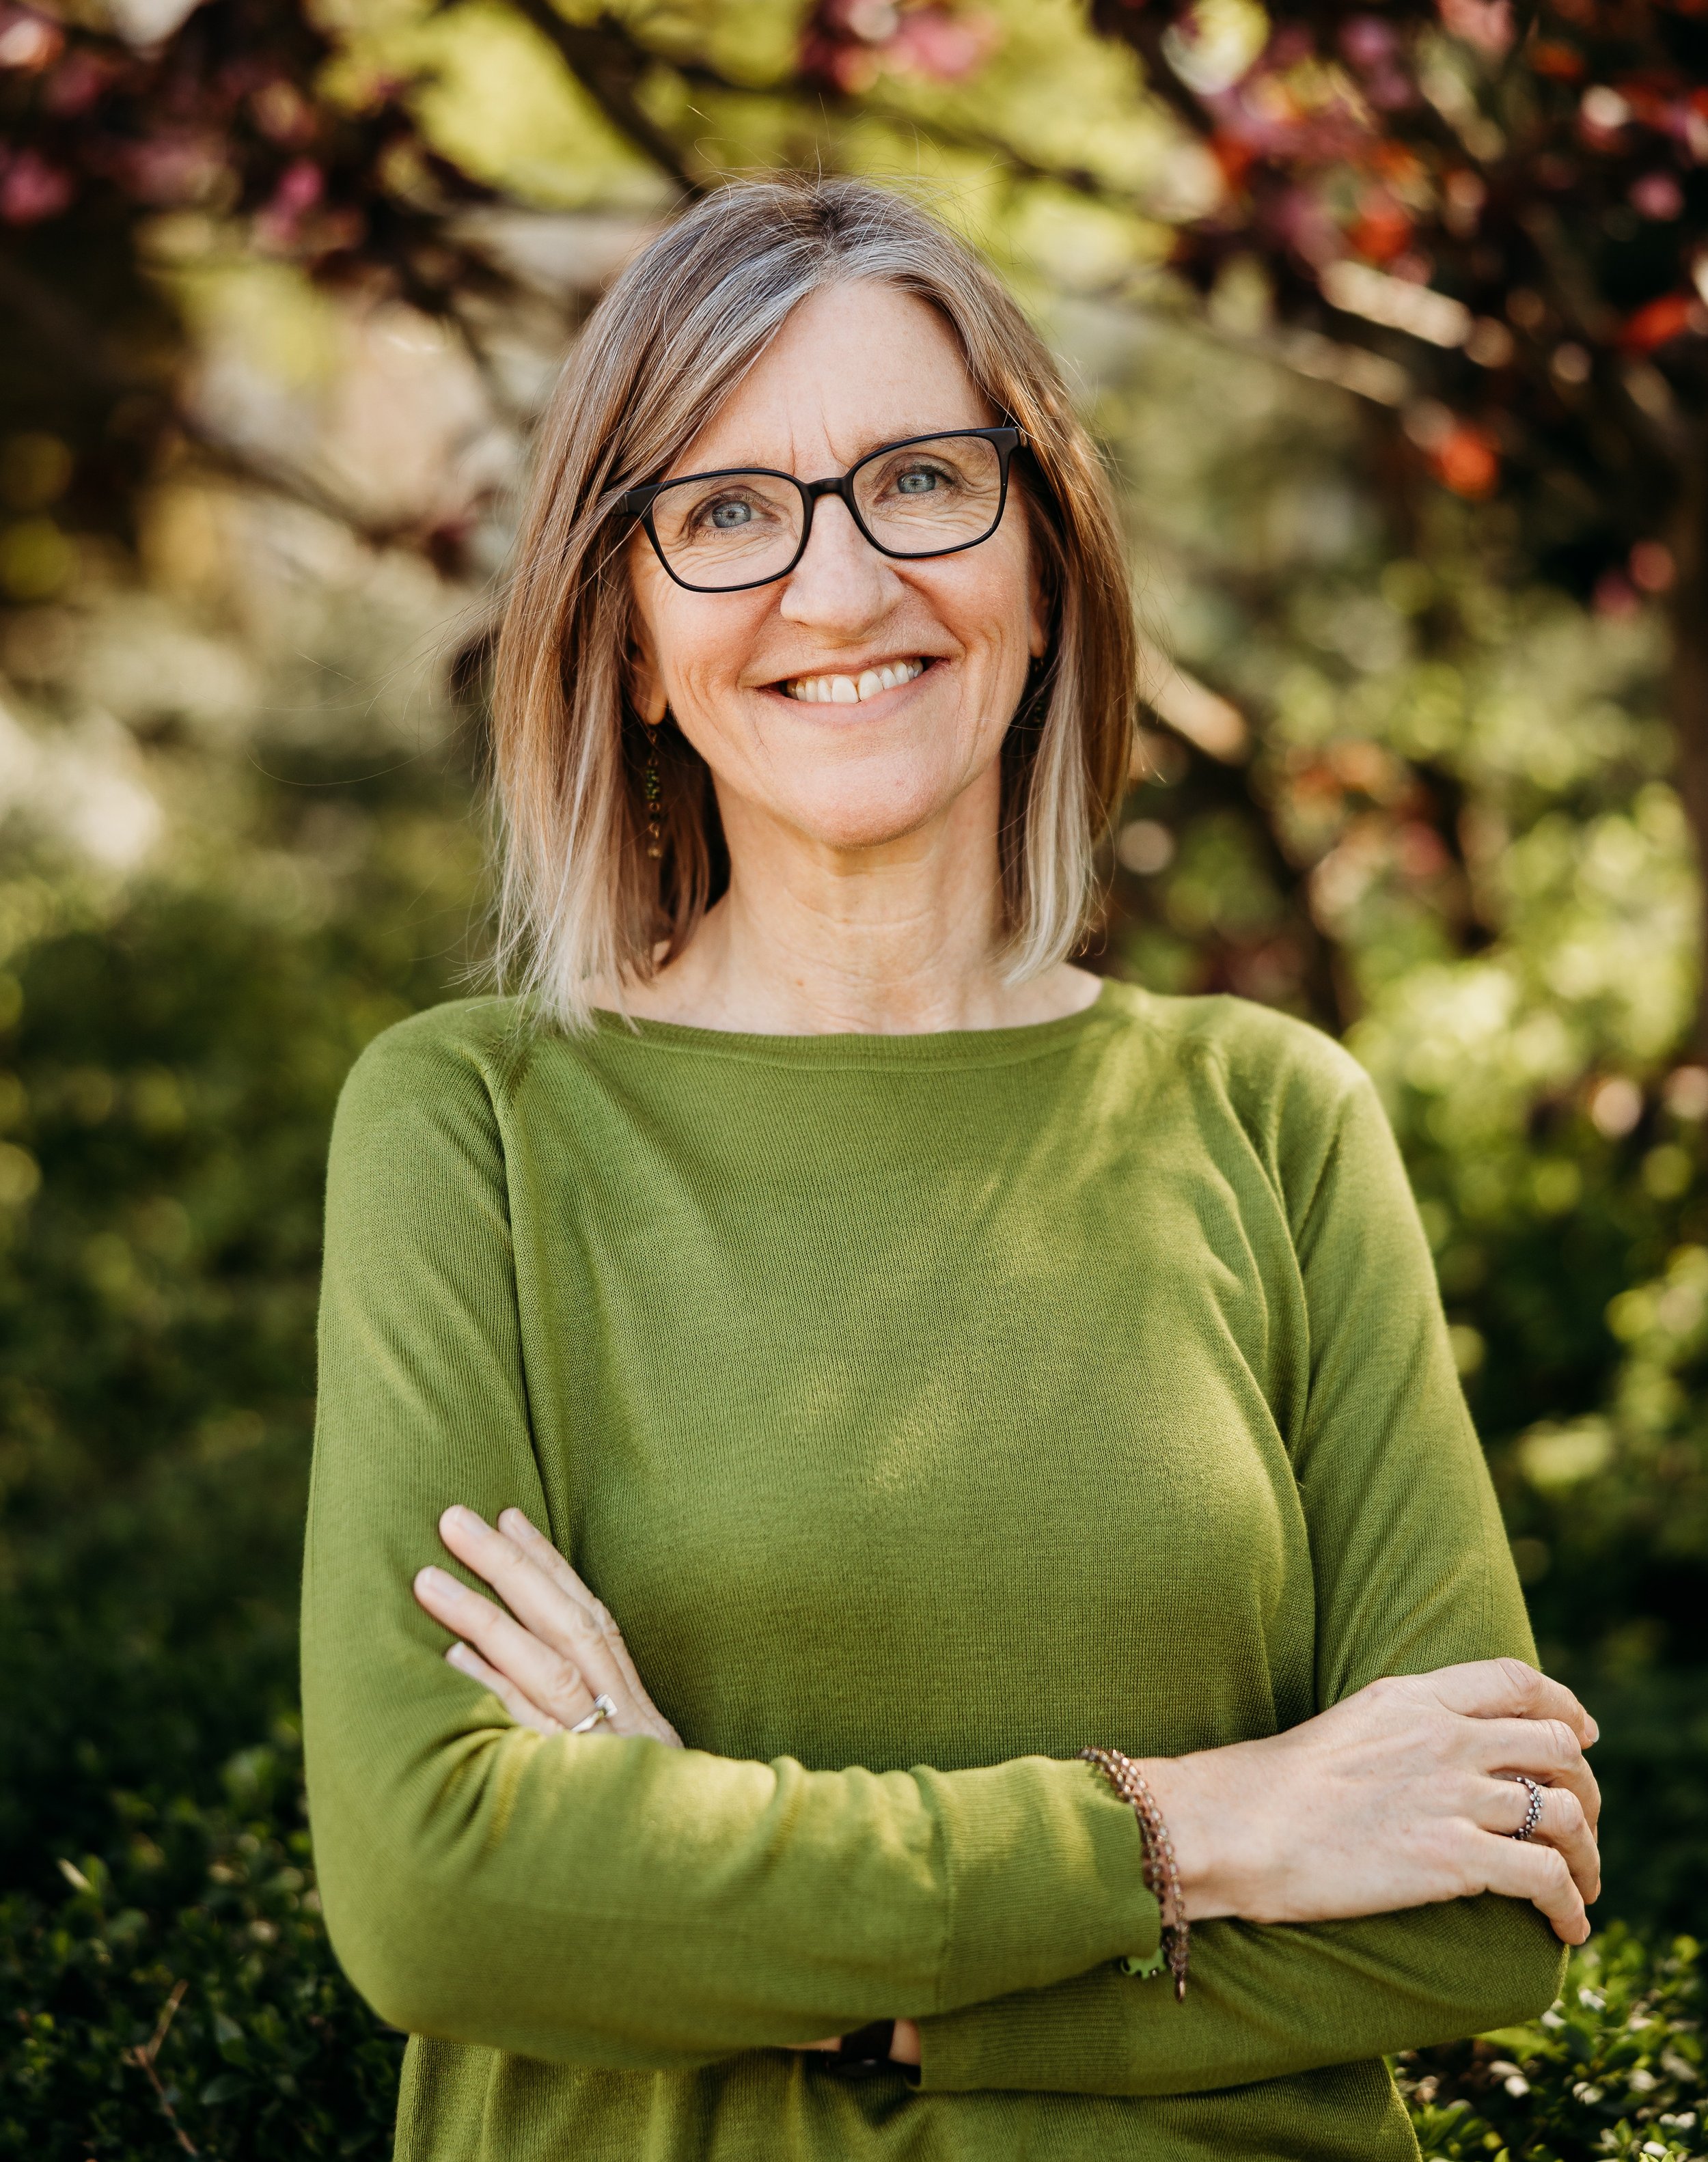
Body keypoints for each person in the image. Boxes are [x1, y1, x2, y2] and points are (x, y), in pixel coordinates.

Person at [301, 176, 1600, 2162]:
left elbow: (1480, 1900)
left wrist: (775, 1935)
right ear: (630, 637)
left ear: (1047, 571)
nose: (835, 591)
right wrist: (1204, 1828)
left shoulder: (1268, 1118)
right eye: (723, 512)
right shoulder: (472, 1126)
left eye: (920, 479)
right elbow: (444, 1889)